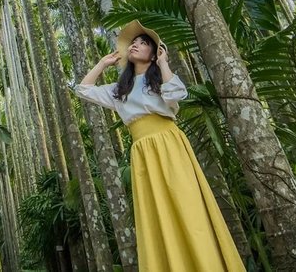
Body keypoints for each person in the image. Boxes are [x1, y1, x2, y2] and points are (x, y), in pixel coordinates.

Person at [75, 20, 246, 272]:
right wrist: (102, 63)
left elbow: (176, 96)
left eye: (143, 43)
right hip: (142, 152)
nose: (135, 45)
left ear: (154, 53)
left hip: (169, 145)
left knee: (187, 207)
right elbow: (83, 90)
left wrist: (164, 63)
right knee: (155, 218)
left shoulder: (160, 81)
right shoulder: (120, 90)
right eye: (133, 42)